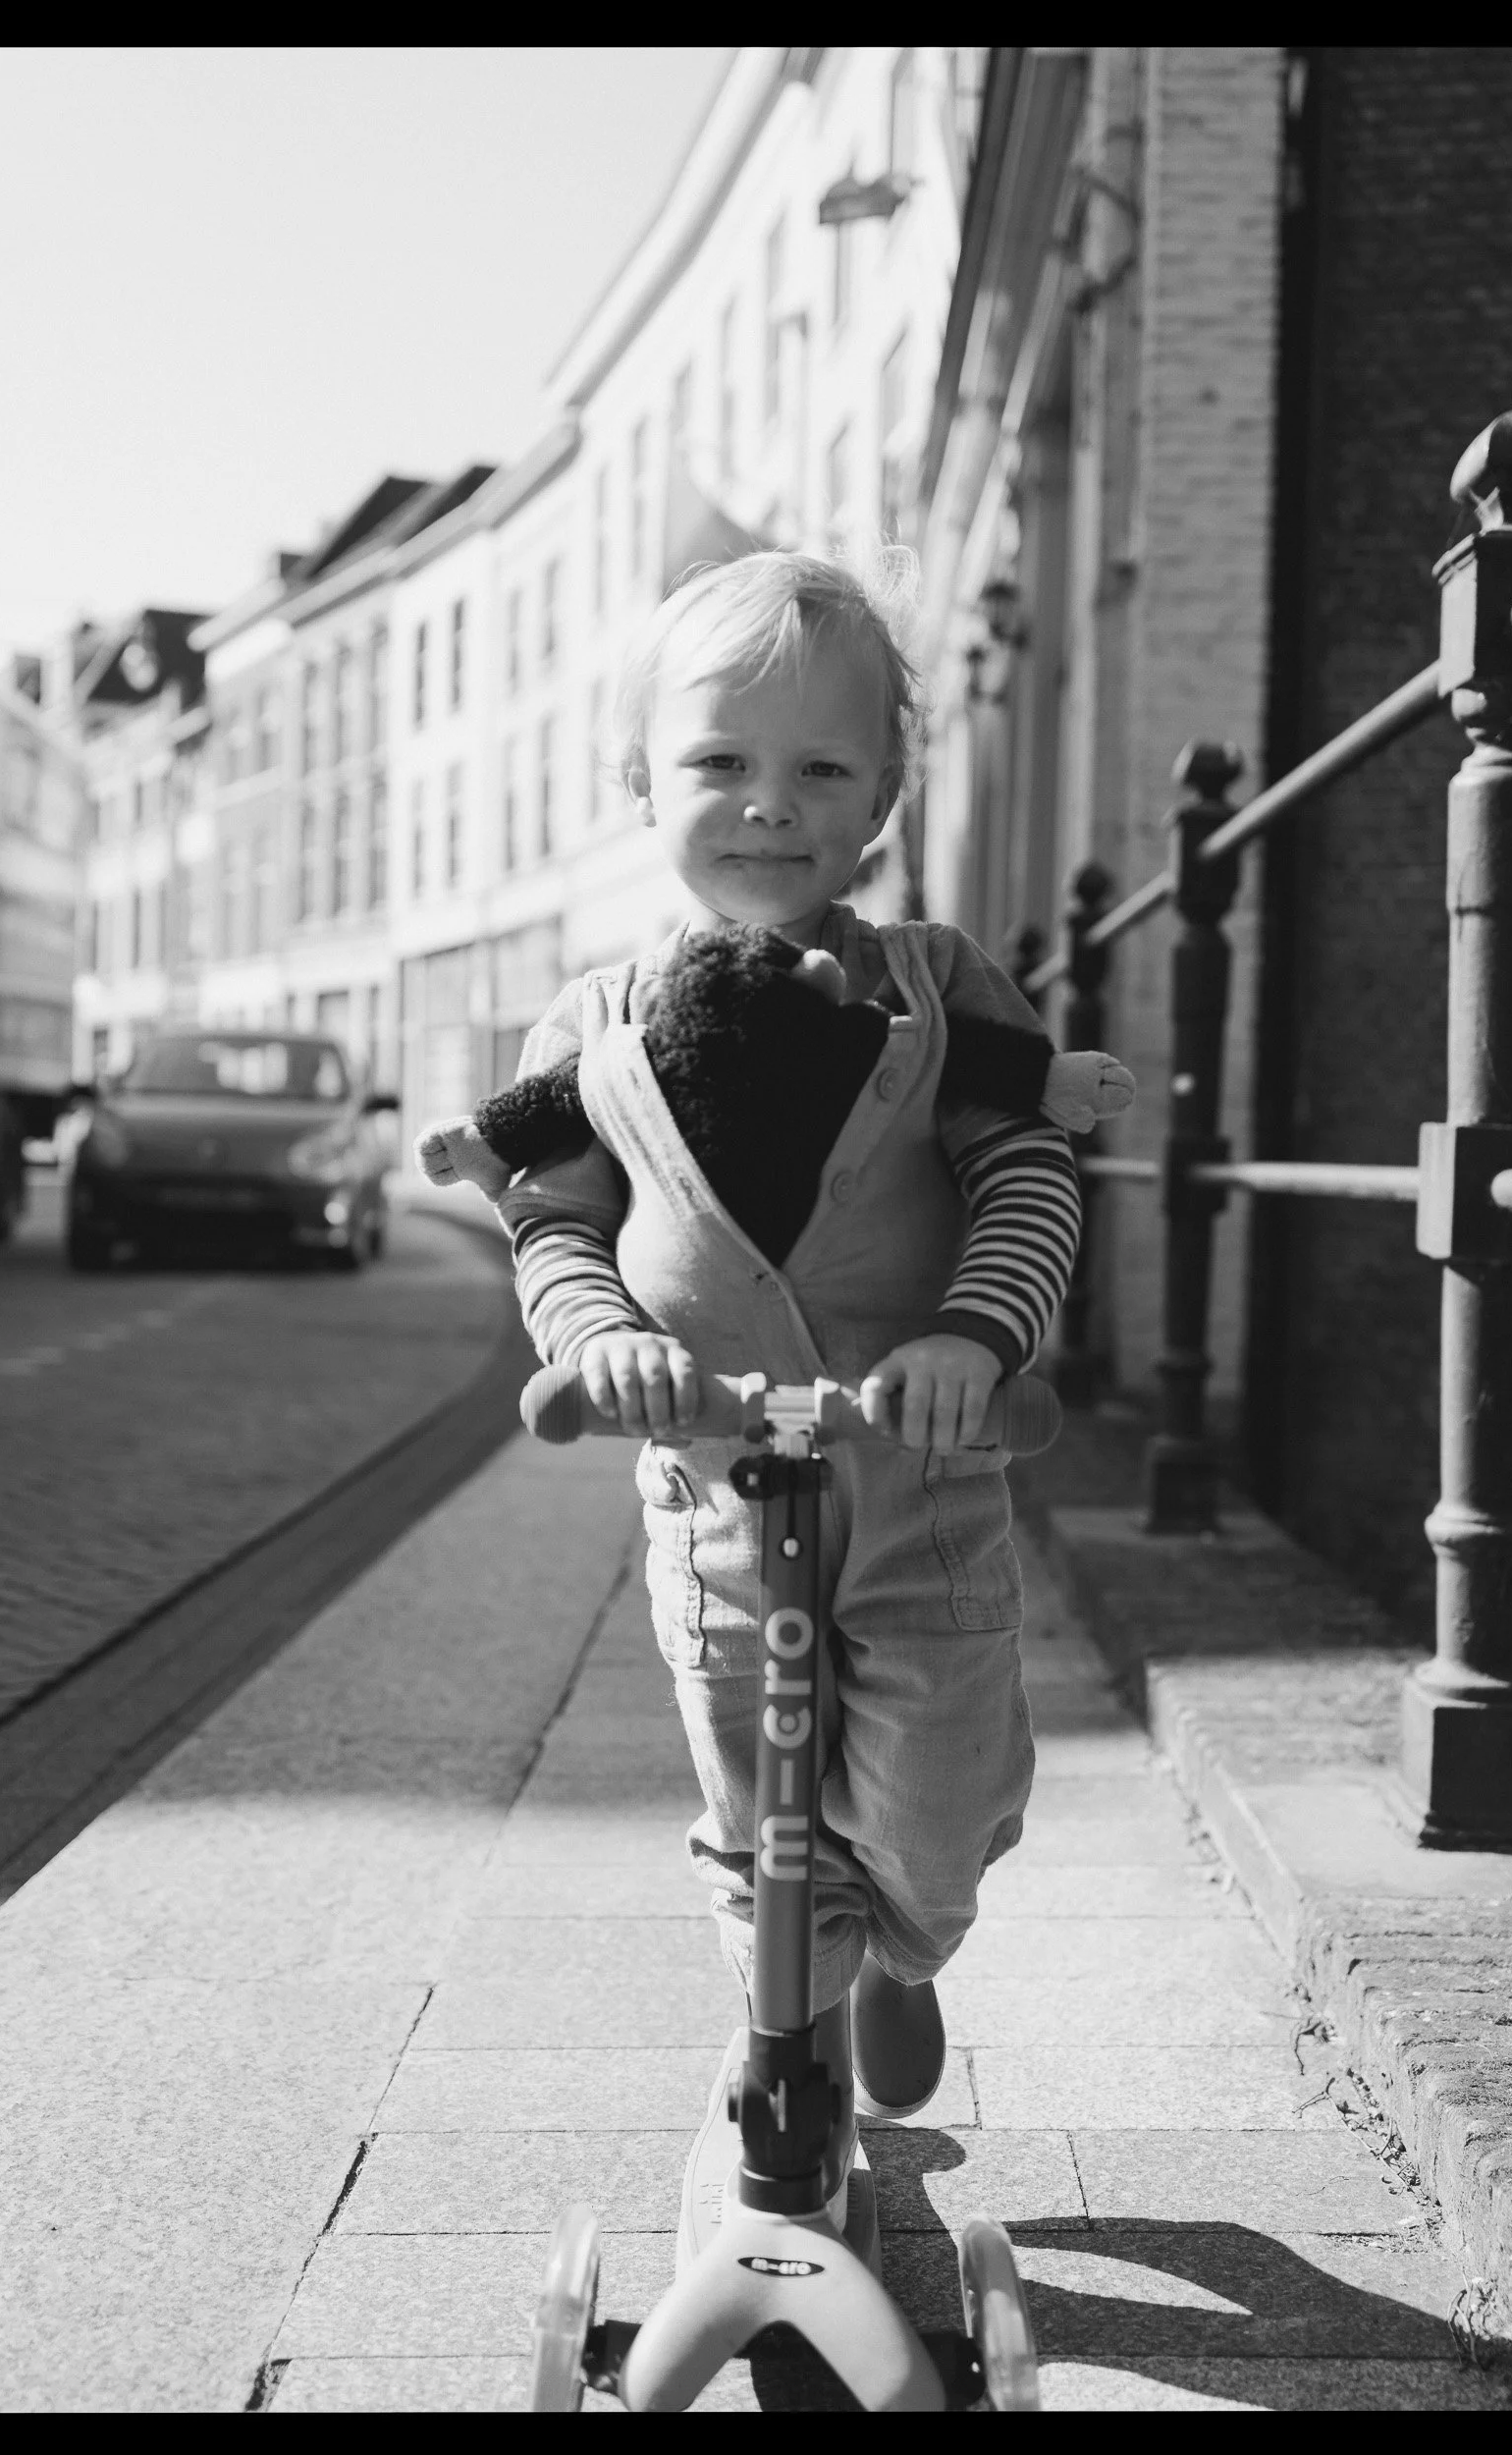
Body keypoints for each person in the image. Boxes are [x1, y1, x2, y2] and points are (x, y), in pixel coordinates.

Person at [417, 550, 1133, 2231]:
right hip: (715, 1501)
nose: (768, 808)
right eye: (720, 765)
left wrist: (975, 1339)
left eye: (821, 767)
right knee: (754, 1823)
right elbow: (553, 1214)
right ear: (639, 784)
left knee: (938, 1820)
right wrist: (600, 1340)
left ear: (883, 791)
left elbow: (1029, 1167)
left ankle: (909, 1944)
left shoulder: (939, 987)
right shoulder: (596, 1020)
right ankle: (782, 2054)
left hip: (920, 1494)